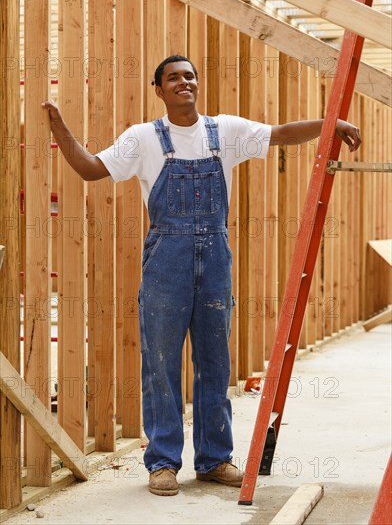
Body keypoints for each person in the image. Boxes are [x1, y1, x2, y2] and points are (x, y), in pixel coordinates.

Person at [42, 55, 361, 497]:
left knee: (215, 363)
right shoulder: (143, 139)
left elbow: (281, 133)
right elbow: (93, 169)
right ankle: (163, 463)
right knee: (160, 364)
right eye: (173, 78)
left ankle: (213, 460)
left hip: (214, 259)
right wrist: (60, 132)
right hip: (166, 262)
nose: (183, 82)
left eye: (189, 76)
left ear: (197, 84)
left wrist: (332, 123)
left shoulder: (224, 131)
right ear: (159, 90)